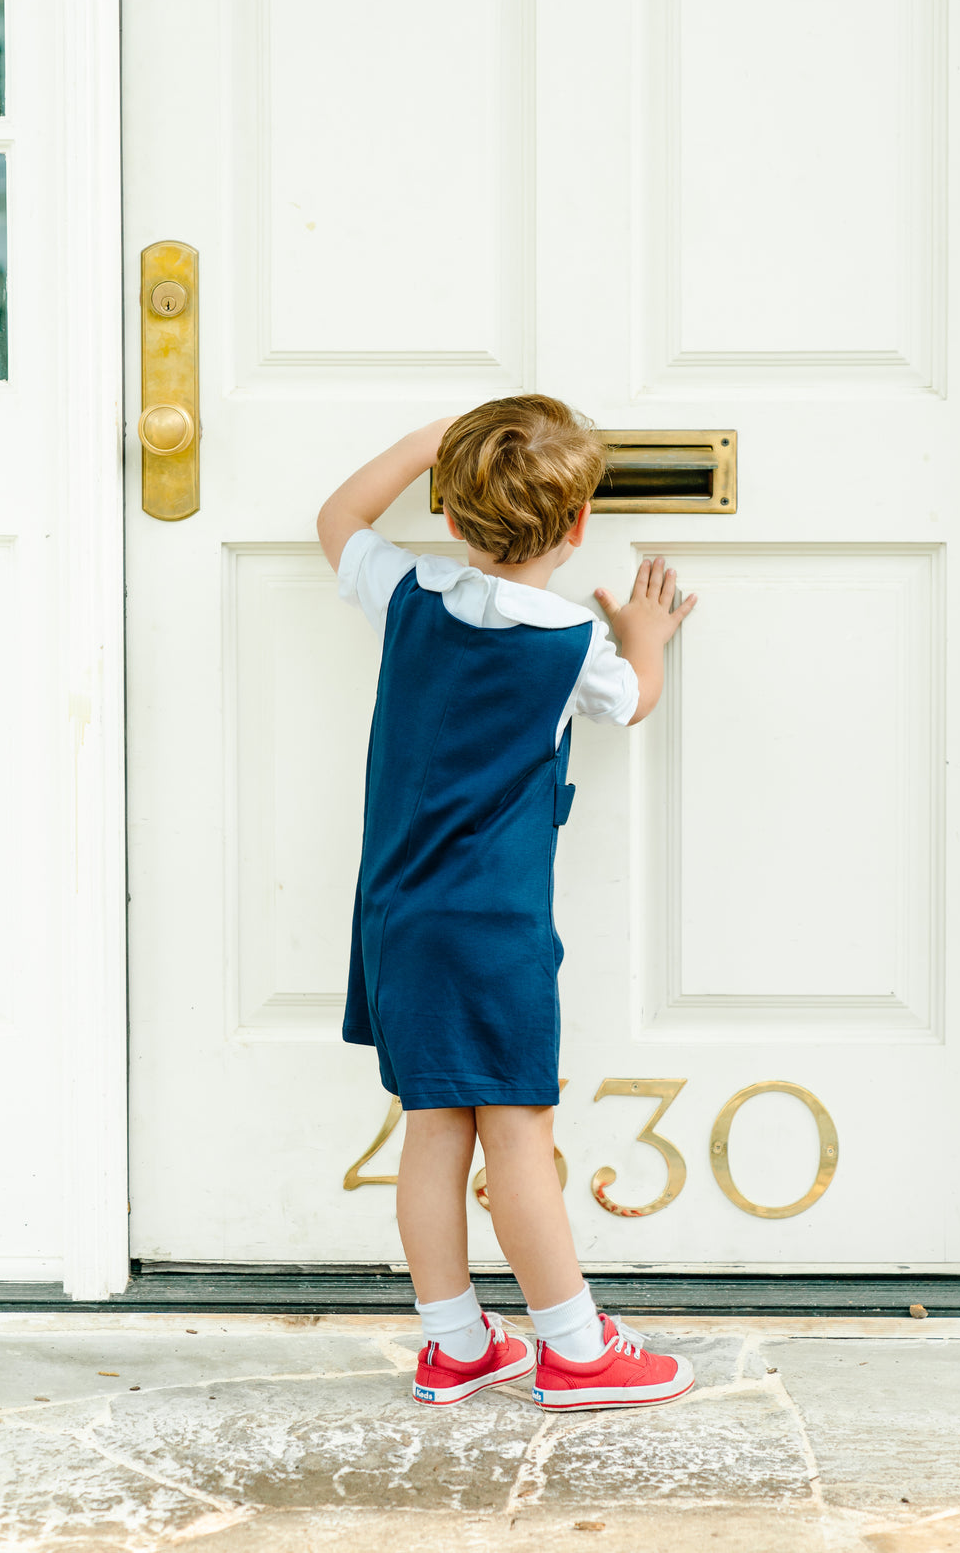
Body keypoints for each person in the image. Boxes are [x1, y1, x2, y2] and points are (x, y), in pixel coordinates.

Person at [317, 394, 698, 1411]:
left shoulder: (406, 592)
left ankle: (455, 1343)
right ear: (578, 528)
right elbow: (634, 699)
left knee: (434, 1126)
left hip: (396, 918)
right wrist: (645, 631)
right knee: (519, 1131)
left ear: (447, 512)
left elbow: (337, 522)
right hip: (493, 932)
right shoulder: (572, 642)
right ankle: (574, 1350)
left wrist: (412, 444)